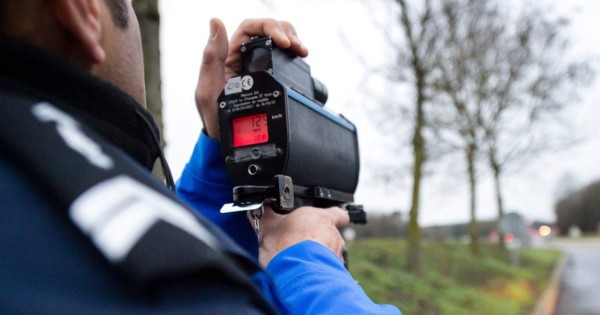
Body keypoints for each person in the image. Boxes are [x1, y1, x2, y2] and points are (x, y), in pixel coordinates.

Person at [0, 0, 401, 314]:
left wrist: (221, 144)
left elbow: (173, 247)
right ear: (82, 10)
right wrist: (305, 262)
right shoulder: (161, 287)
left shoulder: (34, 181)